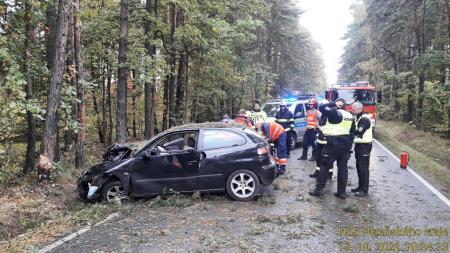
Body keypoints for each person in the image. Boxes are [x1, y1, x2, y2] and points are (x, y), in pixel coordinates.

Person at [309, 98, 355, 199]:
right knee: (343, 167)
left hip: (334, 142)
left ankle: (319, 189)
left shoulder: (335, 113)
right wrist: (349, 148)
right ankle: (341, 192)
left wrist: (334, 103)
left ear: (338, 105)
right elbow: (352, 133)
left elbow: (321, 107)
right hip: (345, 143)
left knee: (324, 164)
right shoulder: (350, 116)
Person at [351, 101, 372, 197]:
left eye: (353, 109)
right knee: (359, 167)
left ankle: (364, 190)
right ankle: (360, 186)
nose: (352, 110)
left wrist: (350, 133)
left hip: (365, 146)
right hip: (359, 146)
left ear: (359, 109)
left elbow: (359, 132)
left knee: (364, 168)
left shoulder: (364, 119)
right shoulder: (358, 118)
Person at [309, 113, 334, 180]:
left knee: (328, 159)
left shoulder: (331, 118)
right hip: (320, 142)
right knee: (318, 158)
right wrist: (317, 130)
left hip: (327, 142)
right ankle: (318, 172)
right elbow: (319, 129)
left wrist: (318, 128)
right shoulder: (322, 117)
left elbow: (325, 129)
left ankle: (329, 174)